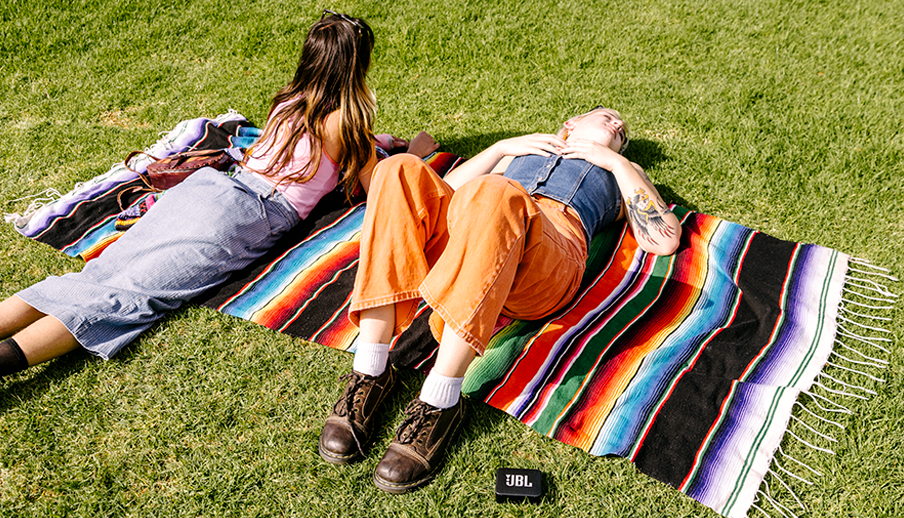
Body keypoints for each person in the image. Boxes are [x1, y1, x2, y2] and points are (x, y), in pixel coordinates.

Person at [0, 11, 437, 377]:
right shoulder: (346, 122)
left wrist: (371, 141)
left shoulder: (289, 101)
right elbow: (381, 187)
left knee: (98, 274)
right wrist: (414, 153)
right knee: (129, 297)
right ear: (358, 66)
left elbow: (319, 145)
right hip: (247, 216)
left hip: (211, 190)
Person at [318, 107, 681, 493]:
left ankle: (440, 400)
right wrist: (500, 149)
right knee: (397, 170)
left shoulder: (622, 170)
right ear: (570, 123)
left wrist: (615, 160)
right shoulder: (524, 149)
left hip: (547, 258)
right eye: (607, 117)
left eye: (622, 132)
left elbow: (664, 238)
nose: (618, 126)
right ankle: (370, 371)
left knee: (497, 191)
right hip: (476, 232)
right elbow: (439, 195)